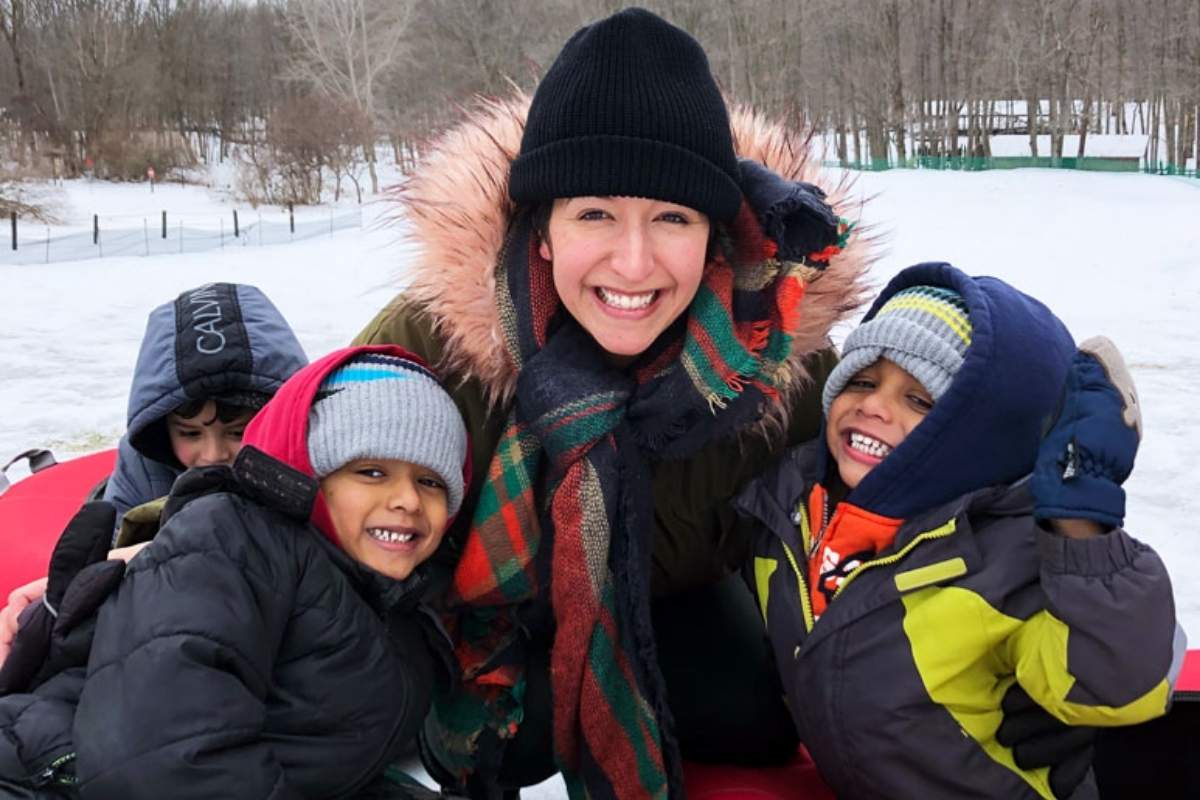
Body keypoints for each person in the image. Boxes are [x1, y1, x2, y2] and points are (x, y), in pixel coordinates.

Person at [737, 262, 1185, 799]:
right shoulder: (785, 511)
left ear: (979, 435)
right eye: (862, 379)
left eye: (920, 400)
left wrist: (1082, 521)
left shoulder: (1009, 561)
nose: (874, 406)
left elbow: (1118, 688)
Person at [0, 346, 468, 799]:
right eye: (371, 472)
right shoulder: (233, 543)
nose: (407, 499)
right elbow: (164, 758)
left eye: (430, 481)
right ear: (310, 471)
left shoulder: (391, 596)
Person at [0, 282, 307, 664]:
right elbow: (111, 548)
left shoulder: (305, 461)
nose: (212, 453)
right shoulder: (143, 462)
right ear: (163, 429)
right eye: (190, 434)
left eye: (237, 432)